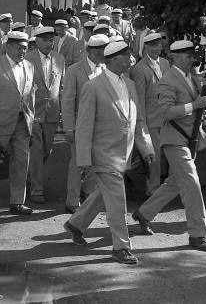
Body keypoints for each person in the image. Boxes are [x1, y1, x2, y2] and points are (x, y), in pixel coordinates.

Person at [63, 41, 155, 265]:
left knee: (104, 194)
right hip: (102, 154)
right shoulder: (93, 86)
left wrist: (146, 147)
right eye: (126, 56)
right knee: (117, 198)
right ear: (113, 59)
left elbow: (138, 120)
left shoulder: (130, 84)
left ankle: (76, 224)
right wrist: (84, 159)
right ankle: (121, 247)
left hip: (124, 153)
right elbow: (84, 125)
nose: (130, 59)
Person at [131, 40, 206, 252]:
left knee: (176, 183)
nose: (191, 59)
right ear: (175, 57)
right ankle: (198, 234)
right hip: (175, 139)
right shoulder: (167, 80)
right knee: (191, 183)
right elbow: (166, 113)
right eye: (187, 56)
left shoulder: (192, 77)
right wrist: (194, 105)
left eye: (191, 55)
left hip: (190, 137)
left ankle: (144, 213)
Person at [0, 30, 36, 215]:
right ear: (9, 47)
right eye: (20, 48)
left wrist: (32, 118)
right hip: (0, 124)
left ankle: (17, 202)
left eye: (26, 48)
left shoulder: (29, 67)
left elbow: (30, 95)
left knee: (22, 162)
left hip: (23, 123)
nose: (23, 51)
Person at [60, 34, 108, 214]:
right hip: (80, 126)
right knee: (78, 163)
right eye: (101, 49)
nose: (104, 53)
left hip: (100, 126)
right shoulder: (75, 70)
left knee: (96, 163)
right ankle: (72, 201)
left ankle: (88, 195)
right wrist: (69, 127)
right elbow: (68, 101)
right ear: (90, 51)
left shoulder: (105, 68)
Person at [25, 26, 65, 204]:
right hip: (33, 112)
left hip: (52, 112)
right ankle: (36, 189)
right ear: (37, 41)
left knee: (47, 150)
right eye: (46, 40)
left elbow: (61, 86)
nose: (50, 43)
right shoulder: (28, 59)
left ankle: (31, 173)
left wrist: (63, 109)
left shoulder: (60, 59)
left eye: (52, 40)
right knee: (36, 150)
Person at [129, 32, 170, 196]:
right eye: (151, 46)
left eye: (158, 45)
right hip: (150, 120)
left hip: (167, 118)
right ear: (145, 47)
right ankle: (152, 188)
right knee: (155, 157)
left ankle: (163, 186)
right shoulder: (139, 69)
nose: (155, 49)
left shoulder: (166, 64)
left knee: (167, 154)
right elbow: (139, 99)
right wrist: (142, 125)